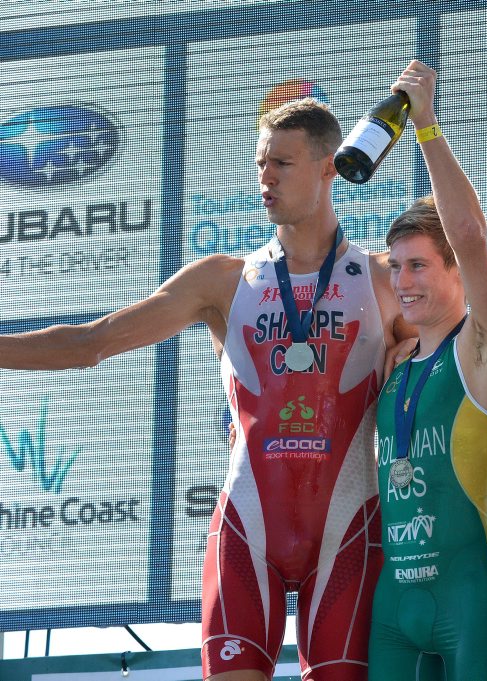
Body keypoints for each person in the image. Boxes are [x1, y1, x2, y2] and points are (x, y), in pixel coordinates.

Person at [0, 97, 411, 681]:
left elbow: (467, 360)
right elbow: (91, 342)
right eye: (260, 162)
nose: (265, 176)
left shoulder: (381, 278)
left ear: (329, 167)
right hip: (247, 527)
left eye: (283, 164)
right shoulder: (221, 281)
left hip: (347, 528)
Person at [369, 60, 487, 681]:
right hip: (392, 606)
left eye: (420, 266)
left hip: (468, 599)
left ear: (455, 269)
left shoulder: (483, 346)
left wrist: (425, 126)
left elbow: (470, 233)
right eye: (396, 267)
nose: (403, 282)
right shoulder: (392, 366)